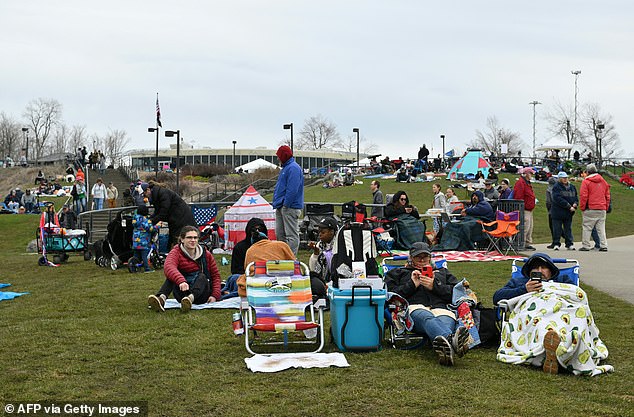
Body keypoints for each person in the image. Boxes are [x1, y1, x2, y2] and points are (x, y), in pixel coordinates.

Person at [493, 253, 612, 376]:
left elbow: (577, 295)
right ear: (529, 272)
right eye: (535, 268)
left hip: (562, 309)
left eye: (544, 267)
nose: (540, 271)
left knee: (578, 313)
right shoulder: (519, 282)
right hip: (534, 310)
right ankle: (558, 349)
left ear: (551, 270)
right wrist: (524, 289)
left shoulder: (562, 280)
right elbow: (497, 297)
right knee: (539, 322)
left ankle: (557, 347)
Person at [384, 242, 470, 366]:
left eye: (425, 256)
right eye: (418, 257)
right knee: (426, 317)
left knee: (444, 319)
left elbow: (457, 293)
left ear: (430, 257)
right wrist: (411, 285)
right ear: (411, 258)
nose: (422, 259)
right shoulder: (399, 272)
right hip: (414, 308)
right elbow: (391, 296)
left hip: (441, 308)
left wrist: (434, 286)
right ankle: (452, 340)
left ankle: (447, 347)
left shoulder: (442, 272)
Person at [148, 226, 221, 312]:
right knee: (171, 277)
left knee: (202, 276)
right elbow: (169, 267)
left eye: (195, 237)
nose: (193, 240)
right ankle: (161, 299)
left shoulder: (206, 254)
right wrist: (181, 281)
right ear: (182, 239)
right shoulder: (176, 252)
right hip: (182, 291)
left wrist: (215, 296)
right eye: (189, 237)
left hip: (201, 293)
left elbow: (215, 275)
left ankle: (189, 300)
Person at [236, 223, 296, 298]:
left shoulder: (250, 251)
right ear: (267, 238)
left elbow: (247, 271)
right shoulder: (282, 245)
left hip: (258, 288)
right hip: (285, 285)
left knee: (237, 279)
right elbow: (295, 264)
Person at [222, 217, 267, 300]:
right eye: (254, 230)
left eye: (260, 229)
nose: (257, 232)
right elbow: (235, 270)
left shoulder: (270, 246)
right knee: (235, 279)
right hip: (246, 277)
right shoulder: (240, 247)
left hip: (266, 277)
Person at [272, 145, 304, 255]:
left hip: (289, 207)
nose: (278, 159)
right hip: (282, 206)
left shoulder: (293, 168)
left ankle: (291, 259)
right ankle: (282, 257)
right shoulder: (286, 168)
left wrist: (286, 204)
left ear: (283, 156)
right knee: (280, 234)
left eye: (279, 156)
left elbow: (292, 189)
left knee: (291, 235)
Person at [145, 181, 196, 248]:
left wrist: (151, 221)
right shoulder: (158, 194)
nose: (144, 197)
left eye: (144, 194)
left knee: (178, 242)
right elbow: (158, 212)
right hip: (176, 220)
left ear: (148, 190)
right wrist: (149, 219)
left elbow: (163, 212)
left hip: (181, 220)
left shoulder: (163, 194)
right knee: (174, 242)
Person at [579, 164, 610, 252]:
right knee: (601, 228)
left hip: (590, 207)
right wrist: (606, 207)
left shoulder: (586, 181)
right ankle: (603, 245)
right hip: (602, 207)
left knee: (587, 227)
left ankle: (586, 245)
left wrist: (582, 207)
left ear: (588, 172)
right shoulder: (603, 181)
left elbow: (583, 196)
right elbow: (607, 196)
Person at [307, 217, 337, 301]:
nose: (320, 234)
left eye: (323, 232)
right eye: (319, 232)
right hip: (323, 280)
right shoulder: (320, 244)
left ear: (332, 232)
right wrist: (316, 254)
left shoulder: (339, 246)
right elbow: (313, 270)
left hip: (336, 281)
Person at [549, 172, 578, 250]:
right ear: (559, 179)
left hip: (568, 213)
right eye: (563, 178)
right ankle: (556, 243)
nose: (565, 179)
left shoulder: (572, 187)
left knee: (568, 229)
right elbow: (557, 199)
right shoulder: (556, 187)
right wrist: (568, 206)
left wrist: (575, 203)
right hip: (558, 212)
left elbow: (575, 197)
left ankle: (569, 244)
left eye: (566, 178)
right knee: (557, 229)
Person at [513, 167, 536, 250]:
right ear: (526, 174)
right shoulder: (521, 183)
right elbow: (518, 196)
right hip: (524, 209)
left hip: (529, 209)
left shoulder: (527, 183)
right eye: (530, 173)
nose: (531, 175)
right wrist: (520, 208)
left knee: (530, 227)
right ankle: (521, 243)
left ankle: (527, 243)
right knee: (525, 227)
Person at [132, 205, 158, 273]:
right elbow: (150, 229)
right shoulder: (146, 220)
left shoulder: (134, 219)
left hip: (135, 240)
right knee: (144, 256)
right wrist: (157, 226)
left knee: (136, 255)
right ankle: (147, 269)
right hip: (144, 241)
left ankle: (133, 267)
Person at [545, 176, 557, 249]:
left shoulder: (548, 190)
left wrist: (548, 209)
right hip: (559, 210)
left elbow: (548, 201)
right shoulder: (559, 189)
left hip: (552, 210)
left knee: (552, 226)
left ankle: (555, 242)